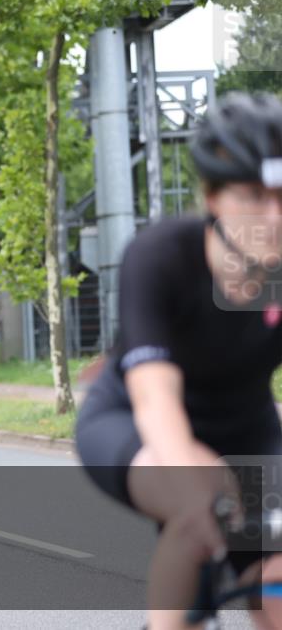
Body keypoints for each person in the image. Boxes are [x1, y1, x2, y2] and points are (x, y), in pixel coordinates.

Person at [75, 92, 282, 629]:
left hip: (248, 430)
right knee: (200, 504)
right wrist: (191, 477)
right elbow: (153, 395)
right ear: (213, 197)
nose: (276, 216)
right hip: (134, 424)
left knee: (277, 566)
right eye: (256, 196)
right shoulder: (162, 256)